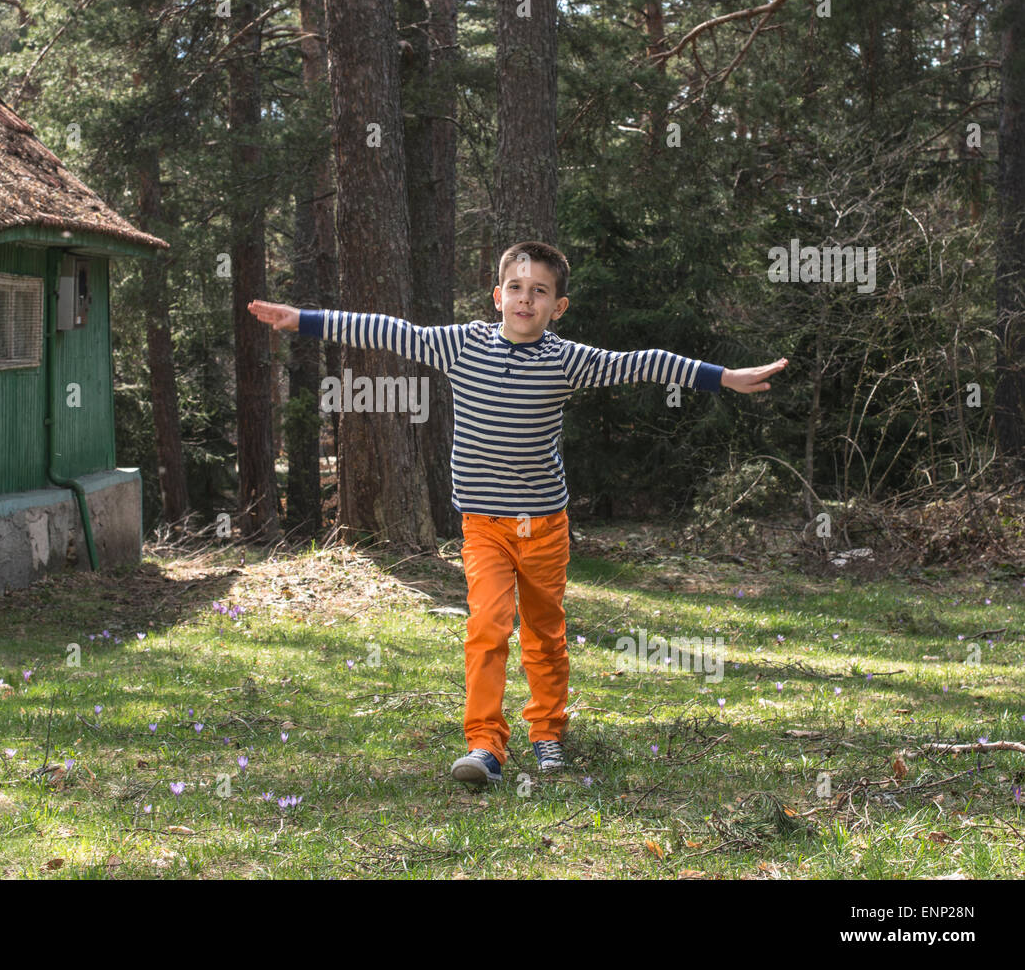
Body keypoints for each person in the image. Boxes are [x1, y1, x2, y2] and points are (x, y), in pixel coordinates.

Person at [248, 240, 787, 785]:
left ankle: (548, 732)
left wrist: (723, 377)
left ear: (558, 307)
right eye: (515, 288)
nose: (525, 299)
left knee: (545, 633)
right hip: (483, 525)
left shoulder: (566, 359)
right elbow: (391, 332)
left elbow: (642, 364)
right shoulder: (462, 346)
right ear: (496, 296)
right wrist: (303, 320)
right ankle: (484, 745)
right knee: (486, 626)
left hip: (545, 527)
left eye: (539, 291)